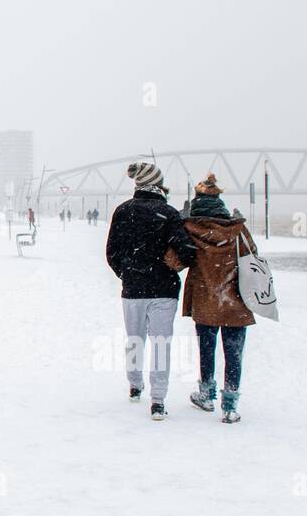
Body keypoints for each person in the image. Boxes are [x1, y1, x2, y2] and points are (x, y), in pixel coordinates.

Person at [106, 162, 197, 420]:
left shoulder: (122, 212)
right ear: (158, 185)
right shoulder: (168, 213)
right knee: (160, 344)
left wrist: (127, 273)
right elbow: (187, 252)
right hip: (164, 289)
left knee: (134, 340)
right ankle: (158, 400)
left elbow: (111, 253)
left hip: (133, 289)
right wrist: (173, 266)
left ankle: (135, 385)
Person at [181, 175, 254, 423]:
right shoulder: (237, 230)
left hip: (205, 298)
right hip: (235, 299)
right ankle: (230, 405)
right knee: (234, 352)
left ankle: (206, 395)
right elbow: (253, 257)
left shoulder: (191, 230)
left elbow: (176, 259)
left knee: (207, 348)